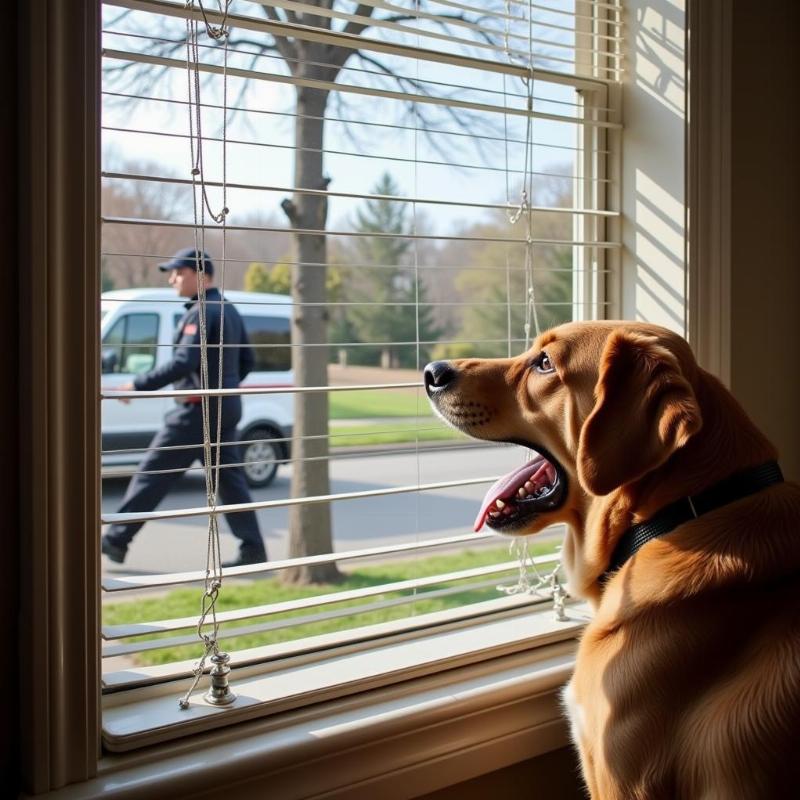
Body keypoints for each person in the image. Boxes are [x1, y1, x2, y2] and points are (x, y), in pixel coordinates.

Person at [101, 248, 268, 567]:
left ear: (201, 276)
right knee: (229, 481)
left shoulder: (203, 312)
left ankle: (116, 539)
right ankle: (253, 548)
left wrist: (137, 385)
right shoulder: (228, 309)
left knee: (153, 471)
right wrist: (224, 386)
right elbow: (248, 361)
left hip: (197, 411)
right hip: (225, 406)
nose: (172, 279)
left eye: (178, 272)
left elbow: (183, 362)